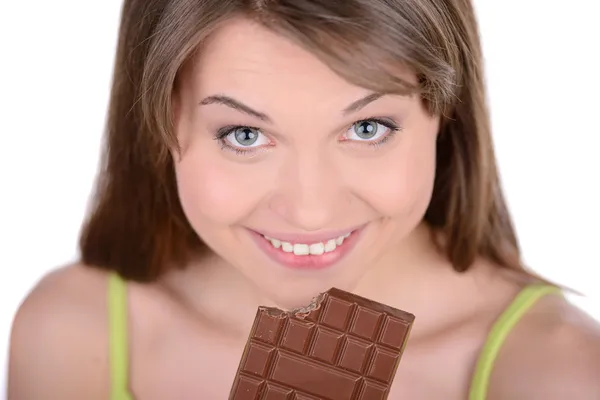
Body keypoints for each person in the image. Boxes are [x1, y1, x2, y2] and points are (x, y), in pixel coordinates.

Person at [8, 0, 600, 399]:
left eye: (367, 128)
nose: (311, 211)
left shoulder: (555, 371)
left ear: (445, 114)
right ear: (159, 125)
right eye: (245, 136)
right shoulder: (72, 329)